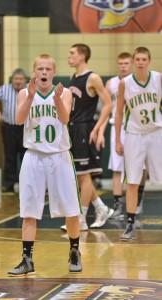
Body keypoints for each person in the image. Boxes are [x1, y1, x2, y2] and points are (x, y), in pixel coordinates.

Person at [7, 54, 82, 275]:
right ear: (34, 72)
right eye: (40, 69)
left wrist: (57, 99)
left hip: (59, 156)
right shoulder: (24, 93)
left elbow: (65, 118)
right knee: (29, 210)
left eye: (48, 69)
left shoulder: (65, 92)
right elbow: (20, 120)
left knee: (71, 209)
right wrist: (30, 97)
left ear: (54, 72)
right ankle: (27, 259)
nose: (44, 73)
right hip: (34, 156)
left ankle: (75, 251)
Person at [61, 43, 113, 232]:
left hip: (85, 128)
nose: (69, 56)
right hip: (72, 128)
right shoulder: (73, 77)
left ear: (82, 56)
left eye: (72, 53)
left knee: (84, 176)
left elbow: (108, 105)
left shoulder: (94, 78)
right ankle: (101, 207)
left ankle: (81, 218)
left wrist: (97, 129)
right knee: (79, 176)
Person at [115, 47, 162, 240]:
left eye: (144, 59)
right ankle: (130, 224)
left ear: (149, 61)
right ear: (134, 62)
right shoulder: (124, 83)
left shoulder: (158, 78)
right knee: (132, 181)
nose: (141, 62)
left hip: (156, 132)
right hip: (134, 134)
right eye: (138, 59)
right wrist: (117, 139)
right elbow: (118, 112)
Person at [106, 52, 146, 219]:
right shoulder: (110, 84)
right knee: (117, 168)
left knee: (141, 167)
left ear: (132, 64)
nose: (123, 66)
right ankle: (117, 206)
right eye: (120, 63)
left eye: (126, 63)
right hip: (118, 127)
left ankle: (138, 198)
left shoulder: (140, 82)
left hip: (137, 128)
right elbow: (108, 106)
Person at [0, 68, 27, 193]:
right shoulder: (4, 89)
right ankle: (9, 184)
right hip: (8, 127)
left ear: (24, 80)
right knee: (10, 156)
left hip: (25, 127)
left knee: (26, 156)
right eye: (16, 79)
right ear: (12, 80)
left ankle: (27, 182)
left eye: (20, 79)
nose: (18, 82)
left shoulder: (30, 89)